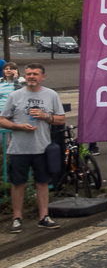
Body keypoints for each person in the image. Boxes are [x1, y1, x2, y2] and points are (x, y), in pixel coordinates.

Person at [0, 63, 66, 232]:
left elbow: (61, 119)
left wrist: (45, 116)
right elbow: (2, 119)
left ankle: (43, 216)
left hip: (42, 147)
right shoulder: (15, 96)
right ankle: (17, 218)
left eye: (35, 74)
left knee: (42, 183)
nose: (31, 77)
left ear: (42, 77)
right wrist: (19, 126)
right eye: (29, 74)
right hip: (19, 148)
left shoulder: (51, 95)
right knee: (18, 183)